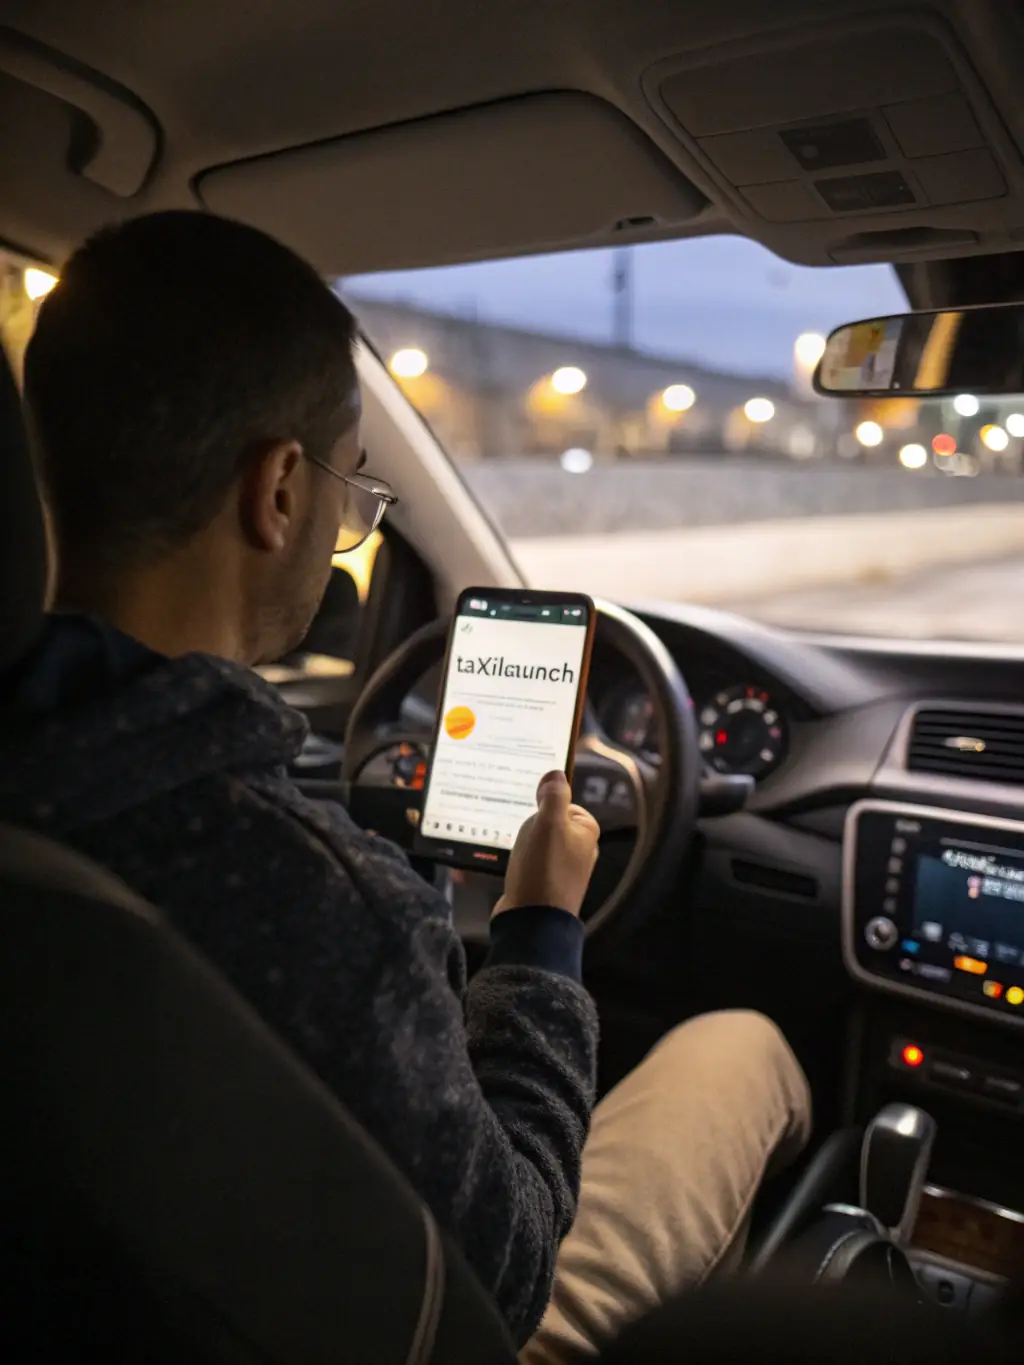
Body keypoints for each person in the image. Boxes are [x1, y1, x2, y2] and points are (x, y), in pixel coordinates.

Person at [0, 211, 810, 1357]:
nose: (346, 518)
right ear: (279, 490)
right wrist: (537, 932)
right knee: (746, 1048)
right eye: (349, 483)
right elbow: (513, 1269)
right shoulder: (318, 899)